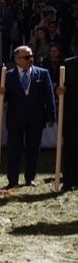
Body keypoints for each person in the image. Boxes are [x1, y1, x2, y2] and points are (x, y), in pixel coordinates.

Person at [0, 45, 56, 188]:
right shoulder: (8, 75)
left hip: (35, 118)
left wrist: (51, 116)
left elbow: (49, 96)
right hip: (15, 118)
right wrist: (0, 94)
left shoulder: (42, 74)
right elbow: (3, 100)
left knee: (33, 150)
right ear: (17, 60)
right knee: (13, 150)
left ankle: (30, 178)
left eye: (31, 56)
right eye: (27, 57)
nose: (31, 59)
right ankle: (12, 180)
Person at [59, 53, 78, 191]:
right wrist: (59, 91)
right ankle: (68, 181)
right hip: (72, 114)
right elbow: (59, 85)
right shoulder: (69, 63)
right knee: (70, 147)